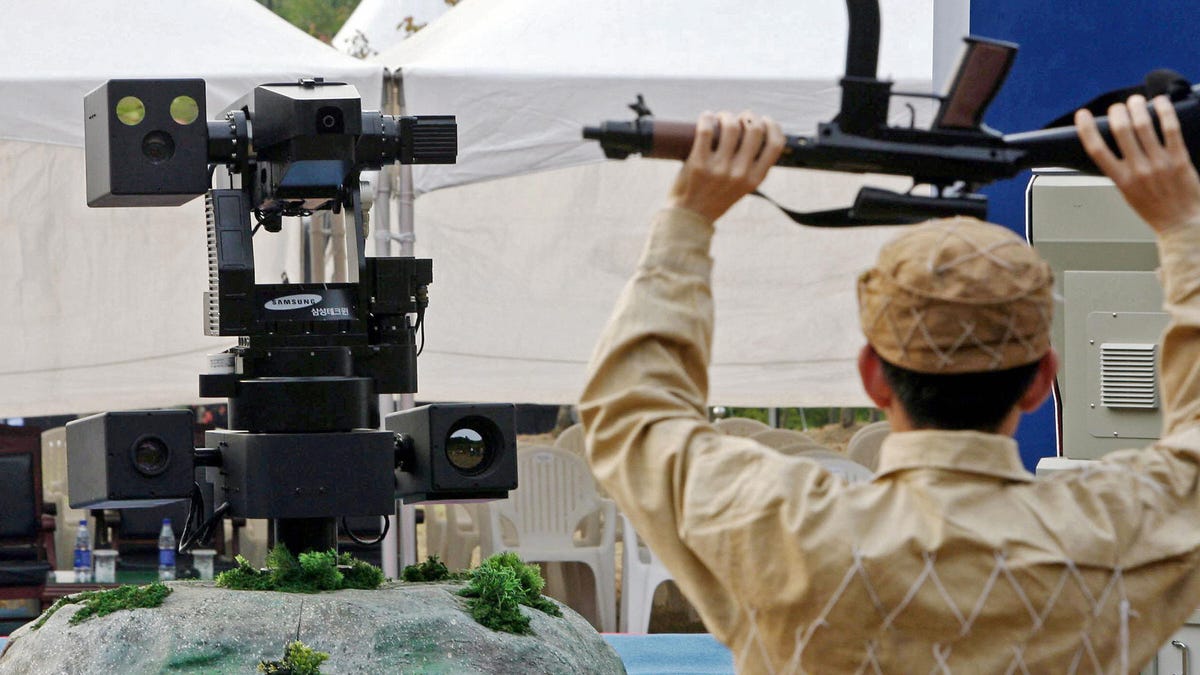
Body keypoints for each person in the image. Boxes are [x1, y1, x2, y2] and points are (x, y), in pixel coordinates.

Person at [579, 94, 1200, 672]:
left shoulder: (785, 528)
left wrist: (689, 217)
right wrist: (1181, 225)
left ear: (873, 377)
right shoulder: (1118, 532)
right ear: (1042, 381)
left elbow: (633, 415)